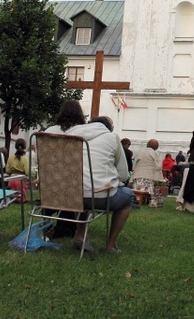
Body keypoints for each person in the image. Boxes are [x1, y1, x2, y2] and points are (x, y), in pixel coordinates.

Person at [45, 102, 132, 254]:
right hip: (99, 196)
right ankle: (111, 245)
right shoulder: (112, 138)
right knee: (128, 197)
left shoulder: (71, 136)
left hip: (69, 194)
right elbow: (124, 175)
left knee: (82, 189)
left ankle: (80, 235)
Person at [132, 139, 164, 208]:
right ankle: (150, 201)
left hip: (137, 176)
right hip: (149, 176)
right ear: (156, 147)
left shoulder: (140, 152)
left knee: (138, 189)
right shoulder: (155, 153)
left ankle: (137, 199)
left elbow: (134, 165)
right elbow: (158, 166)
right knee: (150, 190)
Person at [5, 138, 30, 202]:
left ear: (15, 146)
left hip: (12, 179)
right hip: (21, 180)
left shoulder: (11, 157)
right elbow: (27, 172)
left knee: (11, 194)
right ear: (24, 146)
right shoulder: (25, 158)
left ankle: (12, 199)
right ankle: (20, 199)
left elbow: (7, 170)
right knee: (21, 198)